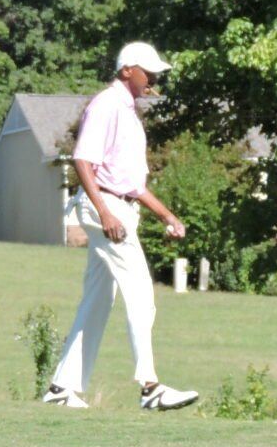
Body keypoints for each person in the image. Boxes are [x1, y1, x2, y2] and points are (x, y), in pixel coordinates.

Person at [44, 42, 202, 412]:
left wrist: (168, 216)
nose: (154, 79)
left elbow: (133, 184)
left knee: (98, 300)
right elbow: (83, 161)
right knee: (140, 291)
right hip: (106, 208)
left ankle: (61, 388)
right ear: (127, 69)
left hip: (118, 206)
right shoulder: (107, 104)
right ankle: (150, 388)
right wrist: (105, 213)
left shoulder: (128, 111)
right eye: (149, 72)